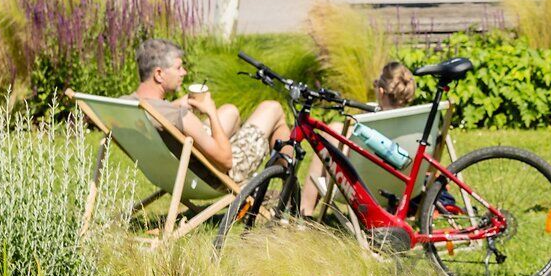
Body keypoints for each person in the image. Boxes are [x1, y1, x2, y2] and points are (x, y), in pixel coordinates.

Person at [133, 38, 285, 190]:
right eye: (178, 68)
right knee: (273, 109)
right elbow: (226, 161)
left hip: (176, 171)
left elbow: (156, 111)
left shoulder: (128, 104)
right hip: (213, 175)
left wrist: (176, 104)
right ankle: (286, 189)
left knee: (230, 111)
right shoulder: (181, 117)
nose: (184, 72)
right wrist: (211, 112)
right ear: (159, 74)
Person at [301, 60, 421, 216]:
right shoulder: (417, 122)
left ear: (381, 91)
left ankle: (304, 213)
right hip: (403, 189)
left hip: (361, 191)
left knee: (333, 132)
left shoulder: (370, 120)